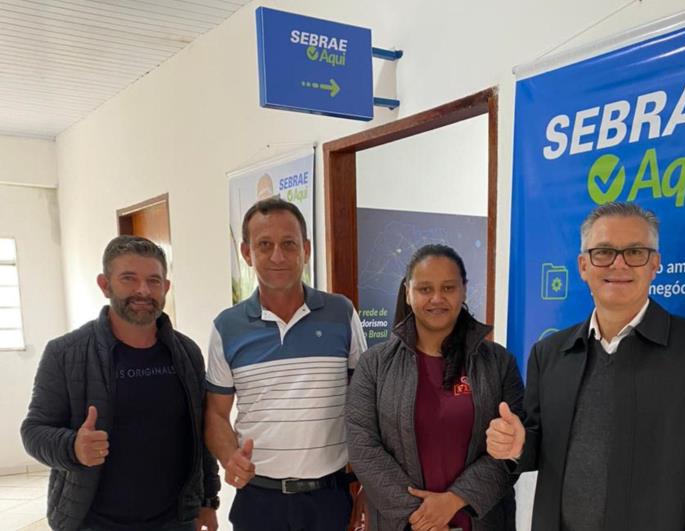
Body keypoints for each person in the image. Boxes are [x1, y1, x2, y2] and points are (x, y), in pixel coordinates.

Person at [486, 202, 685, 531]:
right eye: (603, 252)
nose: (619, 264)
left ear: (654, 264)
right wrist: (518, 445)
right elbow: (539, 444)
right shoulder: (548, 353)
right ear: (583, 266)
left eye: (635, 252)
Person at [20, 236, 220, 531]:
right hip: (95, 522)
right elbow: (33, 432)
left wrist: (208, 499)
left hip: (174, 521)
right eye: (129, 278)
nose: (143, 290)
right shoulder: (65, 353)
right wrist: (73, 447)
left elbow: (202, 435)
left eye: (153, 280)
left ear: (165, 288)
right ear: (105, 285)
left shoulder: (187, 353)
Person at [204, 198, 367, 531]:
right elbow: (216, 413)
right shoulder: (227, 327)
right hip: (259, 501)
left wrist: (367, 482)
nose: (277, 256)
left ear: (305, 249)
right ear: (247, 252)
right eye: (264, 245)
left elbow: (366, 403)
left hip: (331, 498)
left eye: (289, 244)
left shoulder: (341, 313)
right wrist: (228, 457)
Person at [347, 244, 524, 531]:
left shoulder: (499, 363)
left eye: (449, 288)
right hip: (403, 524)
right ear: (408, 292)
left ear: (464, 290)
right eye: (425, 289)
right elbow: (363, 448)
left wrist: (455, 500)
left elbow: (511, 454)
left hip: (481, 521)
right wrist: (424, 517)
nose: (437, 299)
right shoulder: (375, 366)